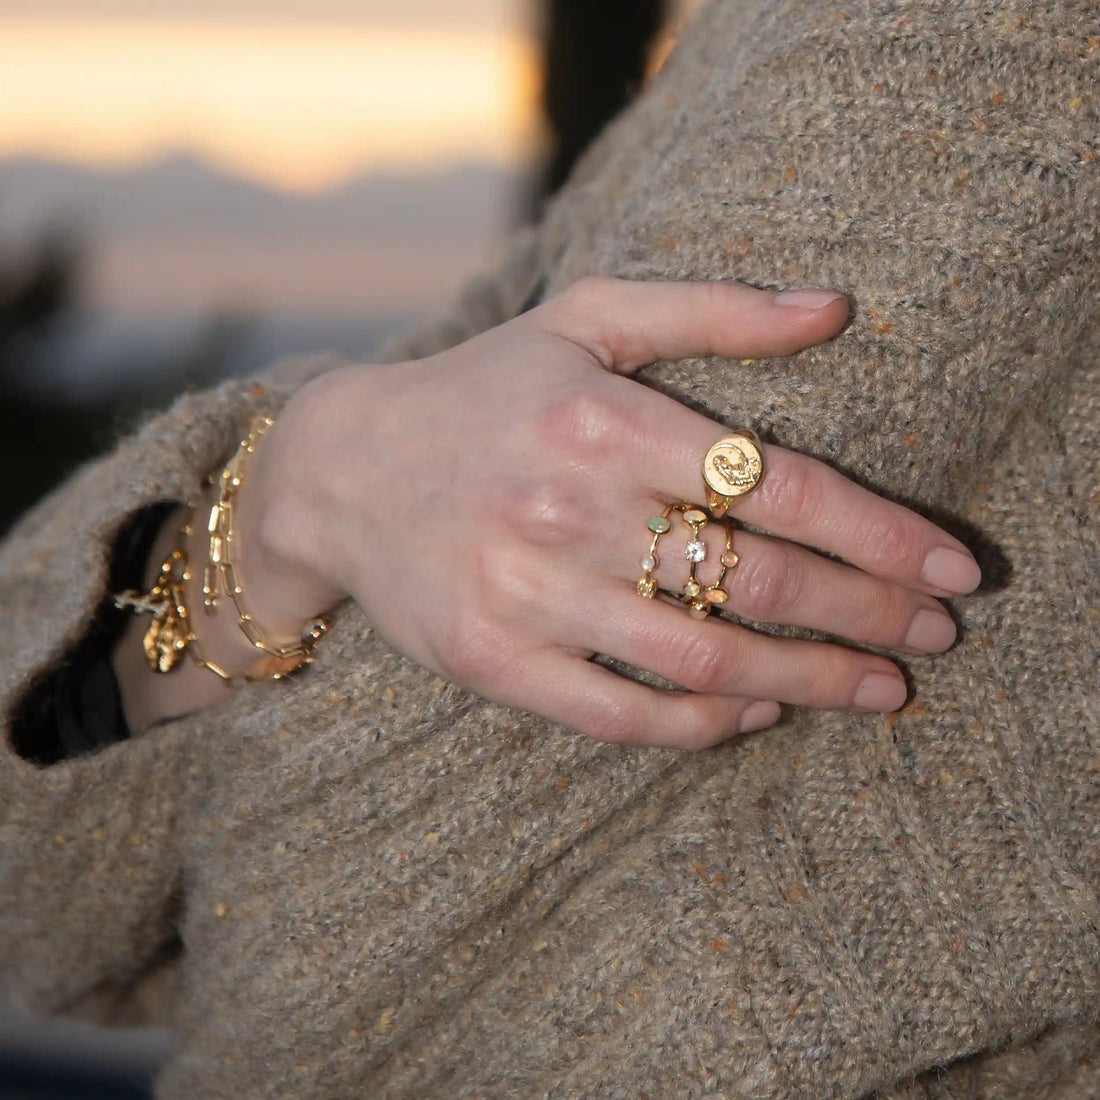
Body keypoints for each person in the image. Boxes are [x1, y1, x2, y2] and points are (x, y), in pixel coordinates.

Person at [2, 0, 1097, 1096]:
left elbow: (281, 977)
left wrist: (292, 525)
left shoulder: (948, 53)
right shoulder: (748, 41)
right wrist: (302, 487)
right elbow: (56, 902)